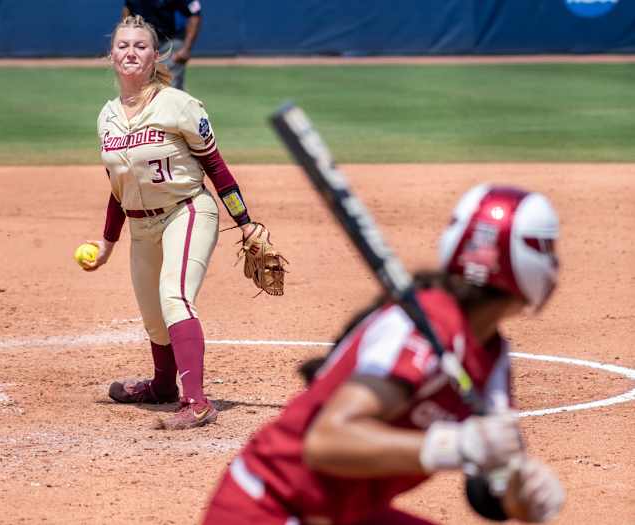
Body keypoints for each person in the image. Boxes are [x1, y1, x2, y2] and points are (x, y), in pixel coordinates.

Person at [201, 185, 565, 524]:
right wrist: (455, 444)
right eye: (547, 248)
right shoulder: (423, 327)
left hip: (342, 512)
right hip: (269, 507)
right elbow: (327, 442)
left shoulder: (491, 352)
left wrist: (522, 492)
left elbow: (488, 489)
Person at [81, 15, 258, 430]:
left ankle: (196, 402)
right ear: (111, 55)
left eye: (140, 46)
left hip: (188, 211)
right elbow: (118, 186)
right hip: (142, 226)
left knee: (174, 296)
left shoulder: (178, 104)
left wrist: (245, 222)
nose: (130, 52)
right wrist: (108, 242)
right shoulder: (107, 116)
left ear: (155, 55)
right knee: (152, 315)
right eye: (123, 45)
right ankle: (163, 385)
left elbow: (216, 166)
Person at [122, 0, 202, 91]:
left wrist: (186, 48)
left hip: (171, 42)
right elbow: (127, 9)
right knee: (140, 88)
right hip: (143, 43)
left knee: (170, 88)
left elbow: (195, 13)